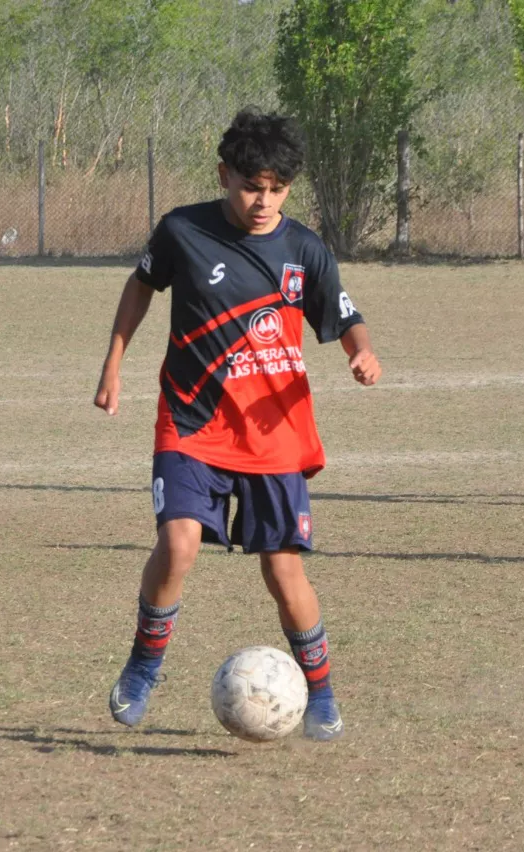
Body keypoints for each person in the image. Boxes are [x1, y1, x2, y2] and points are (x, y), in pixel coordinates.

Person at [94, 108, 381, 740]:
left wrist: (360, 349)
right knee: (178, 544)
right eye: (253, 185)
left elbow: (343, 310)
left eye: (278, 189)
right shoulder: (182, 231)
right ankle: (144, 665)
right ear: (225, 175)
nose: (264, 201)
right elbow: (140, 288)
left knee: (283, 570)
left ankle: (323, 693)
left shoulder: (303, 247)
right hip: (192, 419)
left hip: (273, 432)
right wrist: (114, 364)